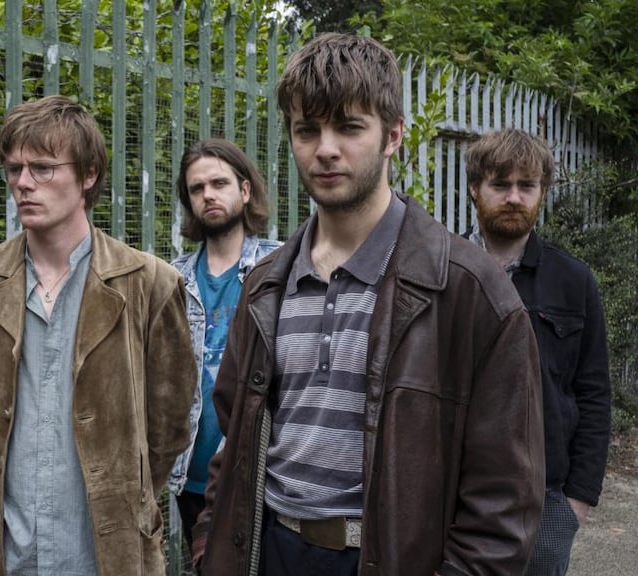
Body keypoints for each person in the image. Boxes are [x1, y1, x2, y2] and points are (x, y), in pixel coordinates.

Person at [190, 33, 545, 576]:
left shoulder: (471, 291)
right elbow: (232, 444)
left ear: (393, 136)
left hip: (389, 557)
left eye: (349, 128)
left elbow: (505, 498)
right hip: (270, 552)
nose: (325, 148)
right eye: (307, 130)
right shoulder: (265, 285)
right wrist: (207, 549)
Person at [0, 95, 195, 575]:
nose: (22, 183)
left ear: (88, 175)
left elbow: (168, 426)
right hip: (3, 553)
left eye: (42, 168)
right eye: (14, 169)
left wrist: (121, 495)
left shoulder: (149, 283)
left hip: (104, 554)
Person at [465, 128, 611, 576]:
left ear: (542, 193)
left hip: (546, 501)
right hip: (456, 496)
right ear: (475, 189)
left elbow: (593, 394)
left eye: (526, 186)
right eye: (499, 184)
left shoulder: (574, 281)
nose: (513, 197)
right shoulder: (444, 272)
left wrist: (576, 502)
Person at [167, 138, 280, 552]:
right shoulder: (170, 280)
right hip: (190, 478)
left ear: (245, 190)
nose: (208, 195)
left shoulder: (278, 269)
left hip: (258, 472)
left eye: (219, 183)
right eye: (197, 189)